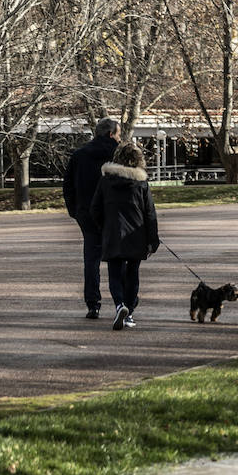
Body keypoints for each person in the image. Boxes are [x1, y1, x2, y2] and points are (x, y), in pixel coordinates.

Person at [88, 143, 159, 331]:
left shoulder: (106, 181)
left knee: (115, 273)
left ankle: (120, 305)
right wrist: (153, 239)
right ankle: (130, 312)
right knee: (132, 274)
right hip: (137, 234)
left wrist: (105, 226)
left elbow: (95, 209)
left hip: (113, 233)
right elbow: (149, 213)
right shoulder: (141, 183)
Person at [63, 118, 119, 319]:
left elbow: (68, 184)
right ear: (111, 134)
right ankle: (120, 302)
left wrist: (75, 210)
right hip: (112, 213)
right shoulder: (117, 153)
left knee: (91, 259)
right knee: (116, 258)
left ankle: (93, 304)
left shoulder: (79, 155)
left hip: (86, 213)